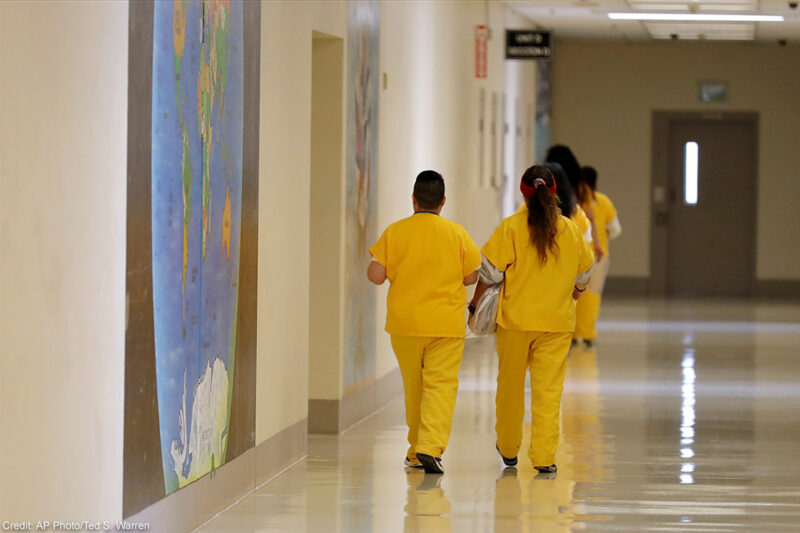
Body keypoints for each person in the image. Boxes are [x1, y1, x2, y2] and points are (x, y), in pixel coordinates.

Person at [470, 165, 594, 474]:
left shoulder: (511, 228)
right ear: (553, 192)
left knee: (510, 387)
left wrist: (475, 304)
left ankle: (509, 449)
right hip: (557, 324)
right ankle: (544, 458)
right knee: (548, 392)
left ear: (523, 194)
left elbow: (489, 272)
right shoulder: (570, 230)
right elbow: (585, 273)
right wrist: (575, 293)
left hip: (515, 322)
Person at [368, 170, 481, 474]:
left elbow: (376, 275)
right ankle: (429, 447)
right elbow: (472, 275)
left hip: (405, 326)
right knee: (441, 387)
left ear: (413, 199)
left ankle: (416, 451)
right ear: (443, 201)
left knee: (414, 389)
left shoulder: (395, 231)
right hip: (445, 326)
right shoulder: (457, 233)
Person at [574, 166, 621, 346]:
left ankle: (572, 334)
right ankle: (587, 334)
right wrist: (603, 234)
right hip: (598, 256)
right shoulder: (603, 201)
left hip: (577, 255)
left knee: (574, 294)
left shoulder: (575, 202)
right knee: (592, 296)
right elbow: (616, 229)